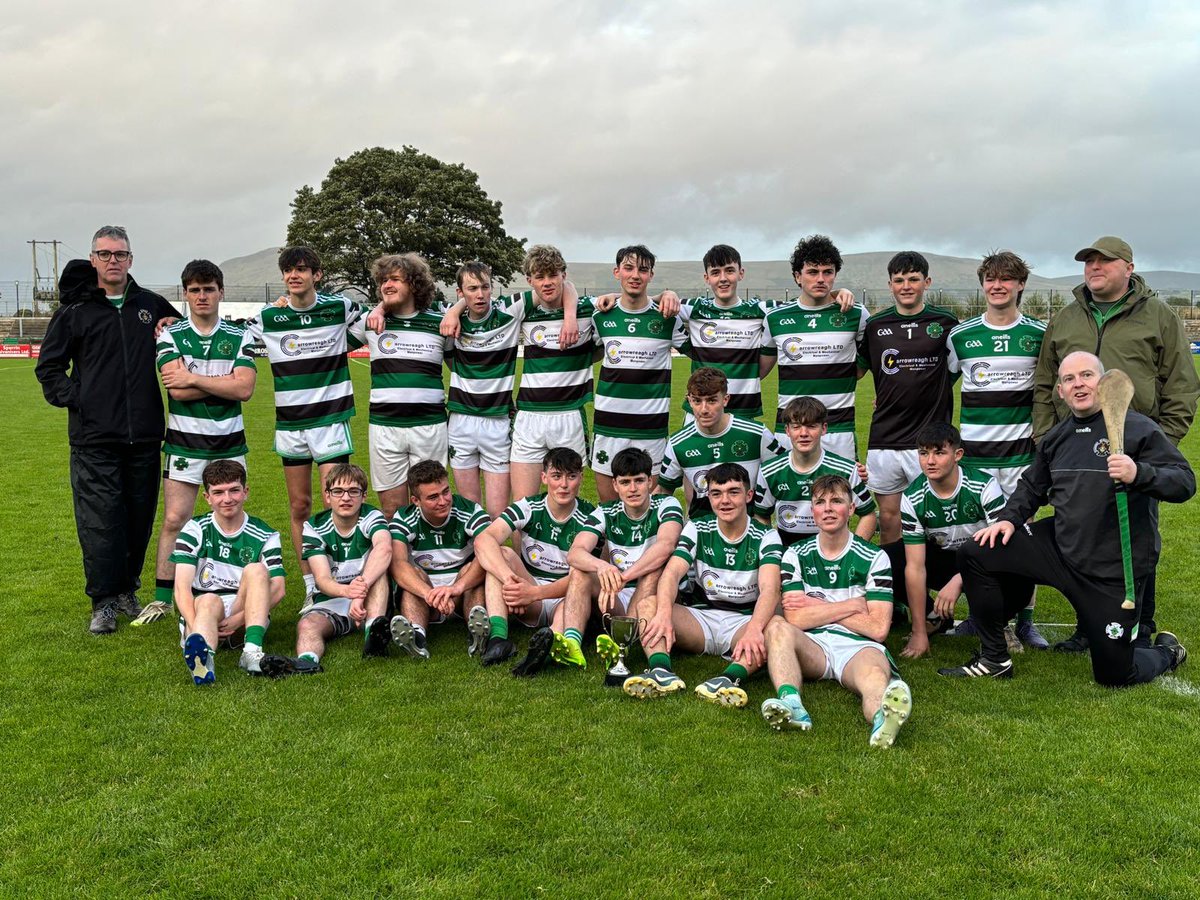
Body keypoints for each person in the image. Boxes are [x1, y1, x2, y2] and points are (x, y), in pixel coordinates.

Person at [941, 352, 1194, 685]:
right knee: (977, 551)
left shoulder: (1136, 429)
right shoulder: (1057, 437)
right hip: (1060, 549)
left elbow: (1184, 482)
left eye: (1086, 375)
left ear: (1102, 384)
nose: (1078, 385)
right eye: (1069, 379)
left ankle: (1167, 652)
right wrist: (1009, 519)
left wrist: (1138, 472)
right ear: (1059, 390)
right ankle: (994, 658)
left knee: (1115, 675)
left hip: (1112, 571)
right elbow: (1033, 486)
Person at [1033, 237, 1199, 652]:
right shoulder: (1067, 317)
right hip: (1076, 446)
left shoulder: (1158, 315)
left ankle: (1140, 627)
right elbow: (1044, 381)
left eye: (1104, 261)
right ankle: (1088, 625)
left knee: (1137, 534)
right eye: (1088, 262)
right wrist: (1046, 439)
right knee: (1083, 533)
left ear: (1128, 266)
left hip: (1134, 447)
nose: (1094, 268)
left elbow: (1181, 383)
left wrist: (1160, 444)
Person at [35, 225, 182, 634]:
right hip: (94, 438)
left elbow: (191, 337)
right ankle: (102, 601)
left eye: (120, 254)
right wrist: (81, 398)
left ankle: (126, 591)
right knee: (101, 521)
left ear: (131, 259)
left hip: (146, 436)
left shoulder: (151, 305)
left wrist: (174, 324)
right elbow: (48, 369)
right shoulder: (75, 311)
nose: (113, 261)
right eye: (105, 254)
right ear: (93, 259)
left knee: (138, 519)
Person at [244, 247, 362, 601]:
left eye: (301, 269)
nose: (294, 276)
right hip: (291, 425)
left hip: (329, 421)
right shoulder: (268, 318)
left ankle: (341, 577)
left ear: (317, 274)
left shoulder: (339, 307)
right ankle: (312, 584)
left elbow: (372, 322)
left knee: (335, 502)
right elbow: (236, 342)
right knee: (299, 506)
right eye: (288, 271)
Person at [761, 475, 912, 748]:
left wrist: (816, 606)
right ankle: (792, 705)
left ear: (852, 509)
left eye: (837, 501)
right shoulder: (795, 554)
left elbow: (878, 629)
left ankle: (882, 721)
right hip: (812, 646)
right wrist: (852, 606)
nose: (828, 508)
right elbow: (795, 618)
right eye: (820, 502)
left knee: (876, 680)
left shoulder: (874, 557)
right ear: (813, 510)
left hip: (857, 646)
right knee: (777, 626)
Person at [144, 260, 257, 625]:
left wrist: (192, 377)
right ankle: (163, 600)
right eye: (195, 290)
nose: (202, 296)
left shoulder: (240, 336)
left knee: (229, 518)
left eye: (209, 289)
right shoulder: (171, 335)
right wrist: (220, 379)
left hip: (229, 446)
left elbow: (245, 388)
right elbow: (174, 387)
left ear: (221, 292)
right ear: (185, 294)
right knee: (176, 519)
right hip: (183, 444)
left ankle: (230, 590)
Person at [946, 250, 1048, 649]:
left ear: (1020, 284)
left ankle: (1025, 621)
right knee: (979, 539)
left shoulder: (1038, 334)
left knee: (1021, 538)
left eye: (1006, 278)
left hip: (1021, 457)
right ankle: (982, 616)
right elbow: (942, 387)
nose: (998, 285)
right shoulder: (962, 336)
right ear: (983, 284)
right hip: (975, 459)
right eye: (990, 278)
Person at [623, 463, 781, 710]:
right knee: (649, 605)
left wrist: (754, 629)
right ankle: (661, 671)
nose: (724, 500)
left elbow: (770, 589)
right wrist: (664, 613)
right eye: (716, 493)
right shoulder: (698, 527)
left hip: (742, 622)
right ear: (708, 497)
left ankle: (730, 678)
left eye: (733, 492)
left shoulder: (766, 536)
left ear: (749, 495)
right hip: (701, 619)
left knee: (776, 627)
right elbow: (672, 573)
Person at [436, 257, 579, 518]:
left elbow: (564, 285)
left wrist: (570, 317)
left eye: (485, 287)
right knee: (469, 510)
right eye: (472, 289)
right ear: (460, 293)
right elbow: (449, 359)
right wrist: (454, 311)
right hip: (460, 422)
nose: (480, 295)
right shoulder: (451, 323)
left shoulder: (509, 311)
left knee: (498, 513)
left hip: (498, 422)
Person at [858, 251, 959, 549]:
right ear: (889, 284)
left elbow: (954, 369)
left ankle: (935, 584)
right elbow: (860, 370)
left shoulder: (946, 322)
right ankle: (895, 588)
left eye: (913, 279)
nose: (906, 286)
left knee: (935, 520)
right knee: (890, 519)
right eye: (899, 280)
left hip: (930, 440)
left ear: (926, 282)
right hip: (885, 438)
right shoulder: (876, 326)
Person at [260, 464, 393, 677]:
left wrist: (361, 589)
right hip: (334, 595)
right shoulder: (314, 527)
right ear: (328, 496)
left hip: (370, 596)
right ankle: (306, 661)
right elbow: (321, 579)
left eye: (353, 491)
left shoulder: (371, 516)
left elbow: (384, 548)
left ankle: (372, 637)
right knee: (307, 624)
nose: (346, 498)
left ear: (364, 496)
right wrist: (348, 592)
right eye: (338, 492)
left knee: (379, 575)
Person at [473, 448, 597, 675]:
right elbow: (484, 540)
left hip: (566, 597)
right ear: (544, 477)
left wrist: (533, 593)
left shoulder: (592, 516)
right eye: (557, 476)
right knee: (502, 554)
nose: (564, 485)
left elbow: (587, 579)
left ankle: (548, 645)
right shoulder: (528, 506)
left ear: (581, 477)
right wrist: (510, 581)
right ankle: (498, 639)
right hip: (528, 592)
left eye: (571, 477)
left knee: (582, 576)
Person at [349, 253, 449, 518]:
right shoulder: (371, 323)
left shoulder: (438, 322)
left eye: (395, 279)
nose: (387, 285)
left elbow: (462, 368)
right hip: (385, 428)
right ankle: (399, 560)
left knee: (431, 507)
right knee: (392, 511)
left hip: (430, 427)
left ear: (414, 285)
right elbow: (329, 341)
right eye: (383, 280)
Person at [893, 423, 1005, 659]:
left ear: (958, 455)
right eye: (924, 453)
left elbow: (1002, 549)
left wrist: (960, 578)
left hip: (984, 558)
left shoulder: (984, 486)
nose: (930, 461)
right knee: (888, 558)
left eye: (939, 452)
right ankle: (931, 620)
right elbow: (915, 566)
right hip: (943, 558)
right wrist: (918, 632)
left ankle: (1001, 624)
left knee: (1016, 571)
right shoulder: (913, 497)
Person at [565, 448, 684, 665]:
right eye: (625, 482)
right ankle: (571, 644)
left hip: (655, 596)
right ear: (615, 485)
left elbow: (666, 546)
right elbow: (575, 552)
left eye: (639, 481)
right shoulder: (606, 511)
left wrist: (624, 576)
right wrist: (601, 566)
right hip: (618, 594)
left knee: (656, 568)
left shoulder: (667, 504)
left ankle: (623, 643)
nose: (632, 489)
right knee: (579, 570)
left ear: (650, 481)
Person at [171, 461, 286, 684]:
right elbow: (181, 588)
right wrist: (194, 626)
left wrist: (237, 620)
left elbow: (279, 589)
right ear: (207, 497)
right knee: (207, 600)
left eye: (234, 490)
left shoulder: (266, 534)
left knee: (256, 569)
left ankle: (251, 652)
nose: (227, 499)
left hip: (245, 611)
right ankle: (203, 657)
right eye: (218, 492)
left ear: (246, 492)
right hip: (204, 611)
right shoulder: (195, 529)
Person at [591, 245, 686, 502]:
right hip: (608, 428)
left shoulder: (667, 317)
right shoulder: (600, 316)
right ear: (617, 272)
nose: (635, 275)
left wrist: (669, 293)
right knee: (609, 510)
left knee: (647, 510)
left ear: (651, 276)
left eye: (643, 270)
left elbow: (701, 352)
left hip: (651, 430)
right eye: (629, 268)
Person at [761, 235, 867, 459]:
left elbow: (864, 364)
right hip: (790, 429)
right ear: (798, 276)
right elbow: (758, 371)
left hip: (838, 429)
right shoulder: (776, 318)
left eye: (828, 272)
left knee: (839, 493)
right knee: (789, 494)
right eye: (812, 272)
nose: (821, 279)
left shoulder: (856, 315)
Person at [503, 245, 591, 505]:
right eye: (540, 276)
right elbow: (480, 309)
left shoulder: (588, 311)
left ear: (564, 275)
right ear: (530, 281)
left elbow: (624, 300)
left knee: (566, 503)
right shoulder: (522, 310)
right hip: (529, 416)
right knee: (522, 505)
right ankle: (521, 549)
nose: (547, 282)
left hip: (569, 415)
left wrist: (571, 315)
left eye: (553, 275)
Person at [387, 460, 491, 660]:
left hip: (461, 590)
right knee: (412, 574)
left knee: (477, 565)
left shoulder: (470, 510)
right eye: (433, 497)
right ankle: (417, 637)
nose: (443, 501)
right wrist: (430, 594)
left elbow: (490, 552)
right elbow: (398, 564)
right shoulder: (404, 517)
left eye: (445, 492)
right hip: (426, 589)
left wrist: (456, 588)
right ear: (415, 501)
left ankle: (477, 634)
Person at [658, 368, 783, 517]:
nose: (704, 409)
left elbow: (782, 474)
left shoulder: (756, 434)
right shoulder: (678, 443)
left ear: (725, 399)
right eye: (697, 401)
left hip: (748, 529)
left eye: (711, 400)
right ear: (689, 401)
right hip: (702, 530)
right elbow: (663, 493)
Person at [754, 397, 876, 548]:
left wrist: (853, 552)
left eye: (811, 426)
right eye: (796, 427)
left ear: (824, 428)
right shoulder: (769, 471)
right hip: (787, 556)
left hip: (835, 554)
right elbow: (761, 515)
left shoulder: (845, 470)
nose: (804, 433)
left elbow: (868, 515)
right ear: (787, 430)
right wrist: (773, 552)